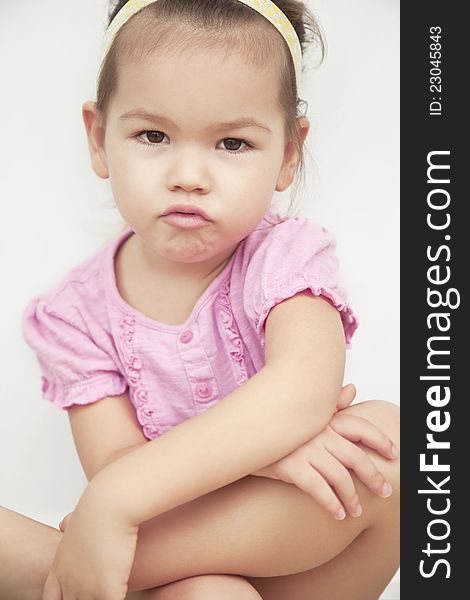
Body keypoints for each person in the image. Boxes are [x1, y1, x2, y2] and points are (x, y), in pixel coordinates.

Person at [0, 1, 400, 599]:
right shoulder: (73, 315)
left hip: (293, 559)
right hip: (180, 551)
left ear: (289, 153)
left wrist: (109, 504)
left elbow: (302, 390)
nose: (189, 174)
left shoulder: (284, 258)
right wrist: (262, 452)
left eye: (232, 143)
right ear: (99, 138)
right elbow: (118, 466)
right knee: (210, 593)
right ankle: (88, 566)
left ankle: (64, 569)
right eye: (153, 135)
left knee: (388, 443)